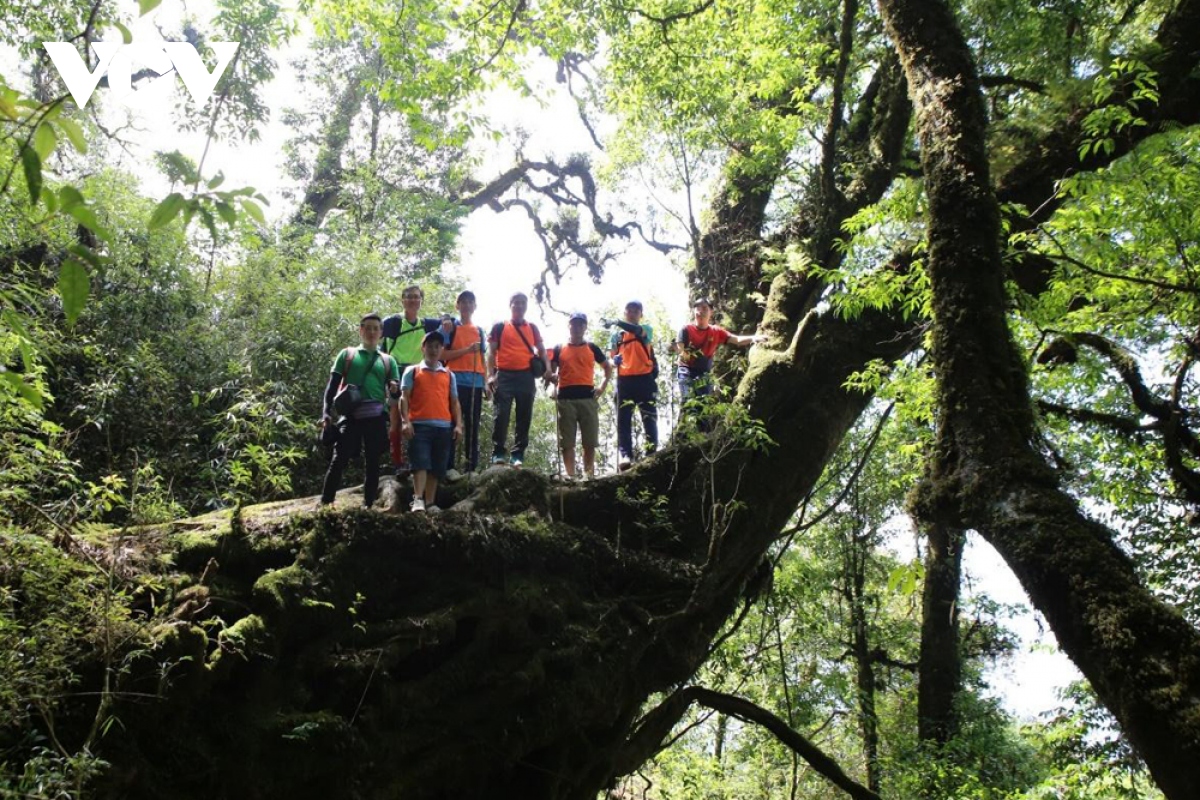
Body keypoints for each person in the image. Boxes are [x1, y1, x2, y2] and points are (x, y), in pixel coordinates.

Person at [320, 313, 401, 508]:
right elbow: (332, 387)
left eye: (376, 328)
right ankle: (326, 503)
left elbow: (396, 395)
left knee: (373, 462)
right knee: (339, 459)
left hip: (376, 417)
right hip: (351, 416)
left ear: (381, 333)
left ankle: (368, 505)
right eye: (368, 327)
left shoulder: (388, 360)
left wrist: (394, 388)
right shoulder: (348, 354)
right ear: (361, 330)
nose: (372, 332)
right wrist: (325, 412)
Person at [400, 331, 463, 513]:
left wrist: (458, 425)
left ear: (442, 349)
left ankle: (430, 502)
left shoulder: (449, 375)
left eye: (437, 346)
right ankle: (418, 499)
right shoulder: (412, 371)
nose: (434, 350)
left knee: (437, 466)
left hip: (443, 427)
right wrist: (406, 421)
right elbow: (404, 398)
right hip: (419, 425)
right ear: (423, 348)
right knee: (420, 463)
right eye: (430, 346)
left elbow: (454, 402)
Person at [381, 286, 441, 479]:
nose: (413, 300)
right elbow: (380, 347)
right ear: (402, 300)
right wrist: (387, 376)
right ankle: (398, 462)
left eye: (416, 297)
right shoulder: (393, 322)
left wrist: (448, 320)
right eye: (409, 297)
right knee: (396, 419)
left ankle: (416, 462)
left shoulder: (427, 324)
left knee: (416, 419)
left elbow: (450, 321)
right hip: (396, 372)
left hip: (418, 374)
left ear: (421, 301)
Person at [487, 292, 550, 468]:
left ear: (526, 306)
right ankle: (498, 452)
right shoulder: (500, 327)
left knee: (524, 416)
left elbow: (542, 350)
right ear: (510, 305)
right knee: (501, 415)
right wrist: (490, 375)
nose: (519, 306)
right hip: (504, 375)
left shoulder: (533, 328)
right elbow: (491, 353)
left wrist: (549, 369)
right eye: (516, 303)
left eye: (523, 303)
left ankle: (518, 455)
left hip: (526, 376)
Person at [547, 312, 612, 479]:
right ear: (569, 326)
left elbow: (607, 367)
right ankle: (570, 476)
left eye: (580, 324)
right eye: (574, 324)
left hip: (587, 398)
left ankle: (588, 475)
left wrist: (602, 387)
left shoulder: (592, 347)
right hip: (565, 399)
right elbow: (551, 372)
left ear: (585, 327)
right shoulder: (559, 348)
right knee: (567, 441)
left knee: (589, 440)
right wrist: (551, 377)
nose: (577, 327)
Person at [675, 297, 766, 402]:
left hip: (704, 373)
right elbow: (680, 350)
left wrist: (753, 338)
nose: (700, 312)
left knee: (703, 405)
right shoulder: (686, 329)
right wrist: (684, 354)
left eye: (704, 308)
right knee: (688, 402)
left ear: (711, 312)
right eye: (697, 309)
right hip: (686, 370)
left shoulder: (716, 331)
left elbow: (736, 339)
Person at [605, 299, 658, 471]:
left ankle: (651, 452)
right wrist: (614, 360)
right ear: (624, 312)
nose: (632, 313)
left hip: (644, 379)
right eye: (629, 310)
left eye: (636, 310)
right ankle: (625, 454)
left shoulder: (646, 329)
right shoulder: (617, 336)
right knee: (623, 420)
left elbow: (637, 331)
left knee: (649, 417)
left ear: (641, 314)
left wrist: (618, 323)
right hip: (624, 381)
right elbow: (609, 360)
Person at [441, 291, 489, 478]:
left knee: (472, 425)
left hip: (475, 383)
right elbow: (443, 355)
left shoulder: (480, 331)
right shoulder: (450, 328)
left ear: (475, 306)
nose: (467, 305)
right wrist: (467, 350)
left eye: (471, 302)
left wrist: (486, 383)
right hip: (453, 381)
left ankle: (471, 467)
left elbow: (482, 358)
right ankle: (449, 466)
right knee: (451, 422)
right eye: (463, 302)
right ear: (457, 305)